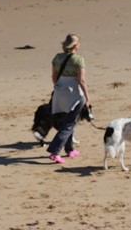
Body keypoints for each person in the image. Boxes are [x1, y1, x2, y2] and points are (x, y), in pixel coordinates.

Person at [46, 33, 91, 164]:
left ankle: (69, 149)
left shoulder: (57, 57)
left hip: (60, 92)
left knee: (68, 120)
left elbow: (54, 77)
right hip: (74, 94)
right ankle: (55, 152)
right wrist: (87, 97)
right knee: (69, 123)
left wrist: (59, 88)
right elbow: (81, 80)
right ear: (76, 45)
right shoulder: (78, 60)